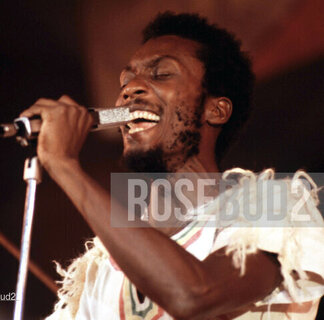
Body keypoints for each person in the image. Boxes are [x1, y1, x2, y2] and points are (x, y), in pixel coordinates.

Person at [20, 12, 324, 320]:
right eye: (125, 81)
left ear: (216, 110)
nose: (130, 89)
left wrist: (65, 166)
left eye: (162, 74)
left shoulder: (276, 212)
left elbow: (194, 295)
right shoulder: (101, 269)